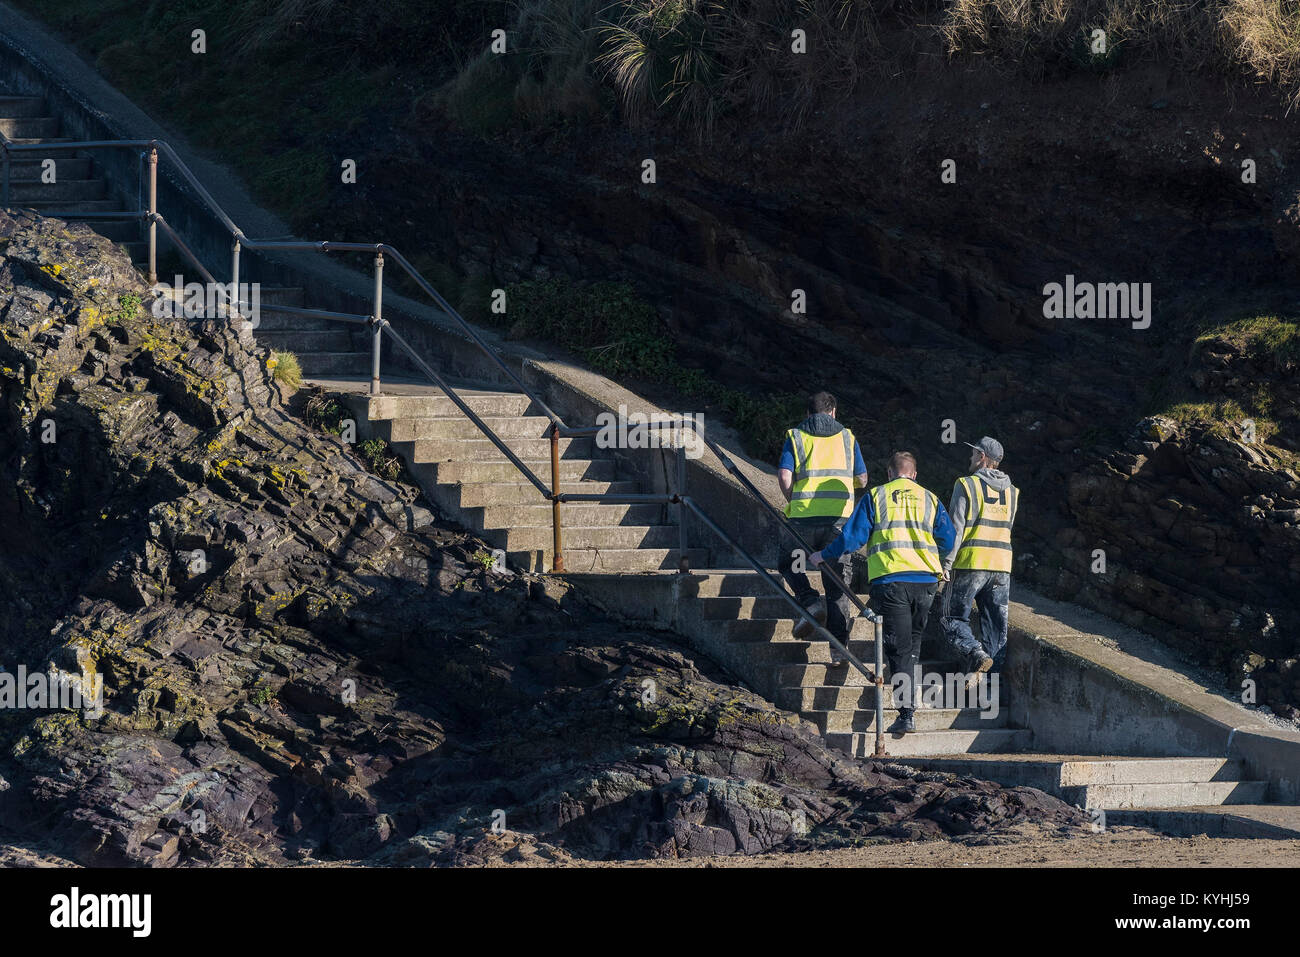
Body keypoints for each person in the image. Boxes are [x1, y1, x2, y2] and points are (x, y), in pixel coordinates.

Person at [811, 451, 956, 734]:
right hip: (927, 583)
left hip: (892, 582)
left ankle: (906, 713)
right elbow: (948, 539)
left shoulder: (877, 497)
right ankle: (908, 706)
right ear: (914, 474)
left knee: (898, 649)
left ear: (890, 473)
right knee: (912, 647)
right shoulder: (930, 498)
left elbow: (853, 539)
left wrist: (824, 555)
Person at [776, 391, 869, 659]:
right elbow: (862, 479)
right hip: (838, 522)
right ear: (833, 412)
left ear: (808, 414)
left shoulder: (796, 436)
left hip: (803, 517)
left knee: (788, 561)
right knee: (837, 583)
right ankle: (839, 651)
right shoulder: (848, 437)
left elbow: (784, 475)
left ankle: (808, 599)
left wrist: (794, 500)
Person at [941, 436, 1020, 680]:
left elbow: (956, 528)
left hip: (970, 563)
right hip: (1001, 566)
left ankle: (975, 653)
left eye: (974, 454)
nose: (970, 458)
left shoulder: (966, 485)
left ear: (983, 457)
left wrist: (945, 564)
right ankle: (990, 689)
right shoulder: (1013, 491)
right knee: (996, 629)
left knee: (950, 618)